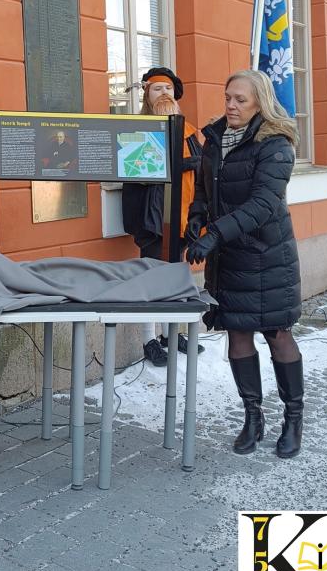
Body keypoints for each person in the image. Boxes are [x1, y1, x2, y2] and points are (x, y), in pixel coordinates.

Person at [185, 69, 303, 459]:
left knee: (277, 335)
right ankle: (253, 417)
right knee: (237, 334)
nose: (231, 106)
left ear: (260, 103)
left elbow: (264, 204)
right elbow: (204, 187)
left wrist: (215, 234)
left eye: (241, 100)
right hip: (230, 258)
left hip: (267, 256)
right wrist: (197, 219)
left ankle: (293, 417)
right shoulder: (216, 138)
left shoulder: (275, 142)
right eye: (228, 98)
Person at [121, 66, 203, 366]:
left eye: (168, 89)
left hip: (183, 216)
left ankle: (171, 332)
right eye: (157, 89)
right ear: (147, 95)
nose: (164, 93)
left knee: (176, 276)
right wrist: (178, 166)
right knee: (152, 278)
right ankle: (149, 339)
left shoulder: (190, 131)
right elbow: (135, 172)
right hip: (152, 219)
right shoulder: (137, 131)